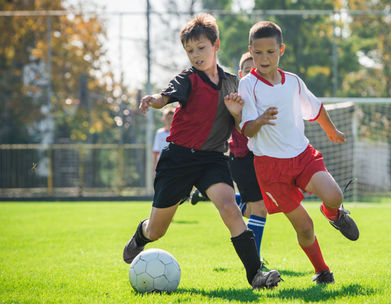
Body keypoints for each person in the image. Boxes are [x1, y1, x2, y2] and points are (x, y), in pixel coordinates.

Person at [122, 13, 281, 290]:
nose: (195, 55)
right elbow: (166, 97)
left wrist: (236, 113)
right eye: (190, 50)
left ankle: (256, 274)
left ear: (216, 45)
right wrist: (154, 100)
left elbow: (241, 126)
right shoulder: (187, 79)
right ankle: (141, 235)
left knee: (230, 208)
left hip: (212, 159)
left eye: (201, 48)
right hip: (178, 159)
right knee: (157, 230)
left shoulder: (232, 83)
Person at [234, 21, 360, 284]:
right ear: (251, 51)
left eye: (270, 51)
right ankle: (323, 271)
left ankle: (333, 214)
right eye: (258, 53)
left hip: (303, 156)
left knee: (334, 195)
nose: (264, 58)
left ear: (281, 50)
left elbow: (315, 108)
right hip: (271, 168)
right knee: (305, 227)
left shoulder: (292, 81)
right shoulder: (247, 85)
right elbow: (246, 130)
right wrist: (261, 120)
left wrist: (332, 130)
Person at [191, 52, 268, 260]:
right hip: (242, 158)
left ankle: (207, 194)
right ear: (240, 74)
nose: (252, 73)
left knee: (261, 207)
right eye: (247, 70)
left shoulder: (267, 93)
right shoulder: (234, 96)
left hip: (263, 158)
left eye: (256, 69)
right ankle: (255, 261)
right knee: (259, 209)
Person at [152, 107, 175, 172]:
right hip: (163, 166)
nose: (170, 120)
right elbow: (156, 151)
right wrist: (155, 169)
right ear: (164, 119)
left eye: (171, 118)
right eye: (168, 118)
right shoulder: (159, 133)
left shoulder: (178, 133)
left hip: (175, 165)